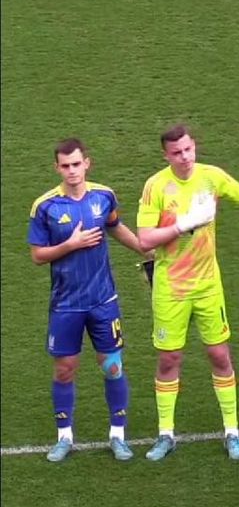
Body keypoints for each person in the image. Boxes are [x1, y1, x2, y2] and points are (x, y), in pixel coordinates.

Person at [136, 124, 239, 461]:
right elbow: (144, 239)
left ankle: (232, 432)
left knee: (220, 355)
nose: (184, 157)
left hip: (208, 286)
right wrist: (185, 223)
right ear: (166, 155)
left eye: (188, 149)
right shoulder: (156, 186)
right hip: (170, 288)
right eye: (176, 153)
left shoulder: (212, 177)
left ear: (194, 146)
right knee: (169, 358)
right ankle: (166, 434)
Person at [29, 139, 148, 462]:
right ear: (57, 168)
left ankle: (118, 436)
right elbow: (38, 255)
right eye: (65, 166)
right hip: (65, 304)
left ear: (87, 164)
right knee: (65, 369)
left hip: (103, 301)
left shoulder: (104, 196)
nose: (72, 171)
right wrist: (71, 244)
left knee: (112, 367)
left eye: (76, 164)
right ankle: (64, 437)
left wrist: (143, 248)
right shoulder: (45, 206)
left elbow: (115, 226)